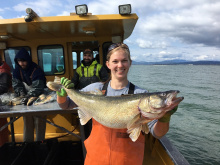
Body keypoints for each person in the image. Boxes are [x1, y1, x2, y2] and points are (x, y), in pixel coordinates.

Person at [56, 43, 178, 165]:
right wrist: (61, 95)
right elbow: (66, 105)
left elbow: (158, 133)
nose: (120, 65)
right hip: (96, 159)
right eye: (115, 61)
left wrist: (165, 118)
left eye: (124, 61)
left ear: (130, 63)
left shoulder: (141, 93)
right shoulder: (94, 89)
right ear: (108, 64)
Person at [12, 47, 47, 142]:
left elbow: (38, 87)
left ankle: (40, 142)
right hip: (26, 97)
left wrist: (29, 96)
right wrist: (22, 94)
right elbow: (16, 84)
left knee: (39, 119)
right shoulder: (17, 70)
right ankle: (27, 143)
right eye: (19, 61)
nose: (21, 63)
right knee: (27, 118)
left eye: (23, 61)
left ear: (28, 60)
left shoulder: (36, 70)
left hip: (39, 96)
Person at [0, 56, 12, 146]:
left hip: (2, 101)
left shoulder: (4, 72)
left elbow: (4, 87)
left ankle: (3, 146)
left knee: (2, 126)